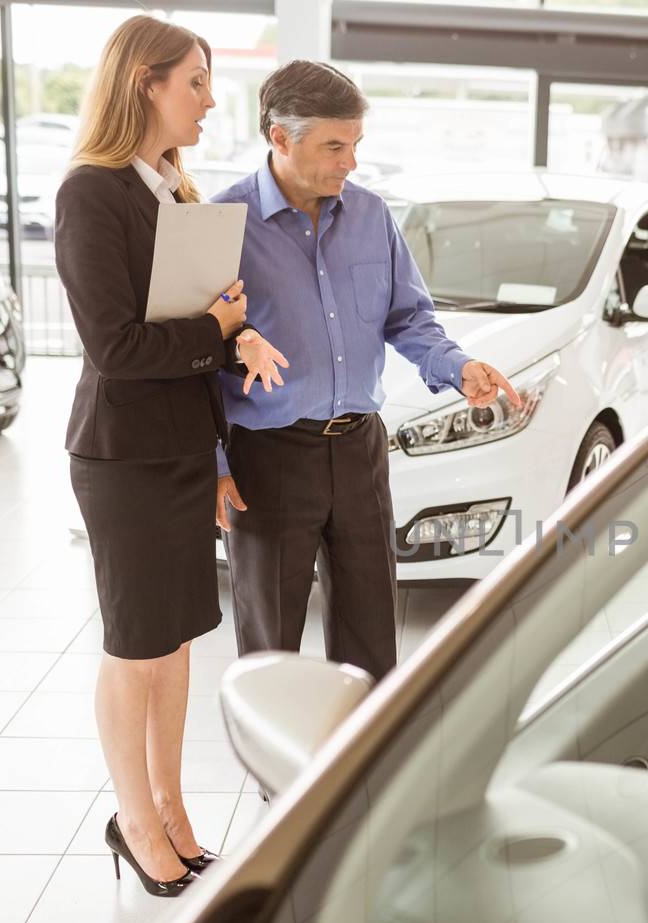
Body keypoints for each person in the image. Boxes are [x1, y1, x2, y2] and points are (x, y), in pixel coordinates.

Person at [55, 14, 288, 897]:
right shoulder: (91, 192)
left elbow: (204, 321)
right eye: (194, 81)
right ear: (144, 83)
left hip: (187, 451)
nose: (207, 98)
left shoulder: (175, 192)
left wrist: (241, 339)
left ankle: (171, 806)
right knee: (135, 646)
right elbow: (117, 346)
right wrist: (218, 330)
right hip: (123, 459)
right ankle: (134, 818)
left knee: (179, 641)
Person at [211, 61, 518, 681]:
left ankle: (362, 775)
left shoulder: (373, 216)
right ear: (280, 137)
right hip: (265, 459)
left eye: (354, 145)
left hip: (359, 451)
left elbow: (409, 318)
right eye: (333, 146)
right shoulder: (223, 224)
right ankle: (288, 781)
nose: (349, 162)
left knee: (371, 635)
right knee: (272, 644)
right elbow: (192, 359)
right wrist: (212, 466)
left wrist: (458, 367)